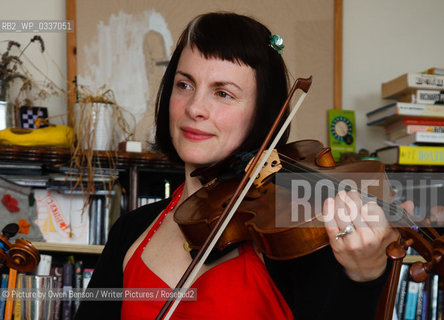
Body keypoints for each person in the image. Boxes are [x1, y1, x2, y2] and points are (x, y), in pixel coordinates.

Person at [75, 12, 399, 320]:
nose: (195, 108)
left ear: (262, 114)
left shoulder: (289, 241)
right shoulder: (131, 230)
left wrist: (365, 275)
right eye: (184, 85)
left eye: (223, 93)